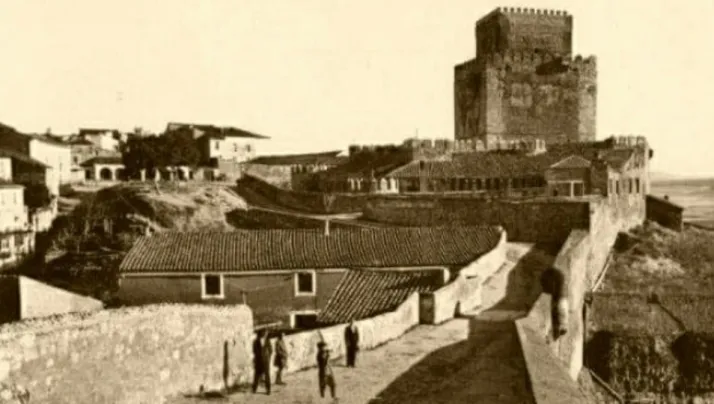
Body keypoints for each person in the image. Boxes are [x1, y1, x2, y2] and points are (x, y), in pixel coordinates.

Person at [252, 330, 273, 395]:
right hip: (258, 361)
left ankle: (268, 390)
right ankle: (254, 389)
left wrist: (268, 357)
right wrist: (259, 356)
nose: (263, 335)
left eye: (264, 333)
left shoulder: (267, 340)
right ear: (259, 334)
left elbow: (271, 350)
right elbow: (254, 351)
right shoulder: (255, 341)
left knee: (267, 375)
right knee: (256, 375)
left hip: (266, 361)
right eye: (262, 333)